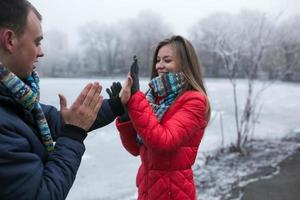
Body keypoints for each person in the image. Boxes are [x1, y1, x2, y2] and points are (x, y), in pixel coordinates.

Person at [0, 0, 124, 199]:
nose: (41, 51)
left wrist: (117, 105)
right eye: (37, 42)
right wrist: (74, 134)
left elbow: (60, 120)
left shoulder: (15, 101)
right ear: (10, 40)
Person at [115, 36, 211, 200]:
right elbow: (135, 148)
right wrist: (125, 117)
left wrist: (136, 99)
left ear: (185, 63)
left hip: (173, 192)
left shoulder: (194, 100)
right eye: (158, 60)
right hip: (148, 189)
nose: (160, 65)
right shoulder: (154, 98)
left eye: (167, 60)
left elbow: (163, 142)